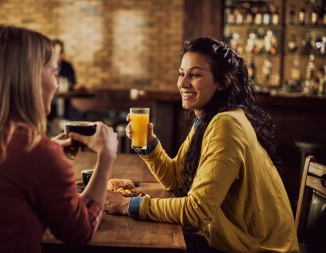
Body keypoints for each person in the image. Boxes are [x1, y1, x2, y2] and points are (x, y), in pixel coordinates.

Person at [105, 37, 299, 252]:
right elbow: (175, 179)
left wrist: (127, 206)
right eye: (181, 74)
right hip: (233, 241)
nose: (182, 83)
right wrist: (148, 144)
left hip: (257, 248)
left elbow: (196, 212)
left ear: (222, 82)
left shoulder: (226, 124)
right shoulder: (207, 120)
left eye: (195, 75)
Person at [0, 25, 118, 253]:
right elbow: (81, 231)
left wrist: (50, 150)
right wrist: (106, 158)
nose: (57, 85)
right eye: (54, 73)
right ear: (30, 78)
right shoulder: (35, 152)